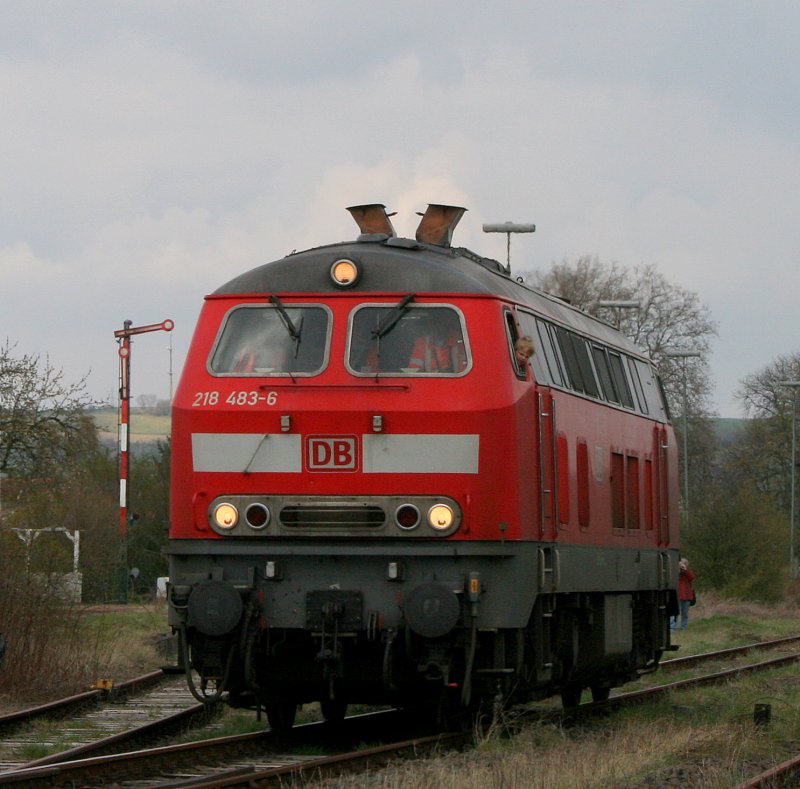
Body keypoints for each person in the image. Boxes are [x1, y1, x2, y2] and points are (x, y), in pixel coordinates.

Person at [672, 558, 696, 630]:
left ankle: (684, 627)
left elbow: (692, 577)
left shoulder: (688, 572)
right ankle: (672, 627)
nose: (682, 566)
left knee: (685, 613)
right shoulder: (674, 571)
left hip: (686, 596)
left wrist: (685, 570)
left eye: (684, 564)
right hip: (677, 595)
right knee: (675, 613)